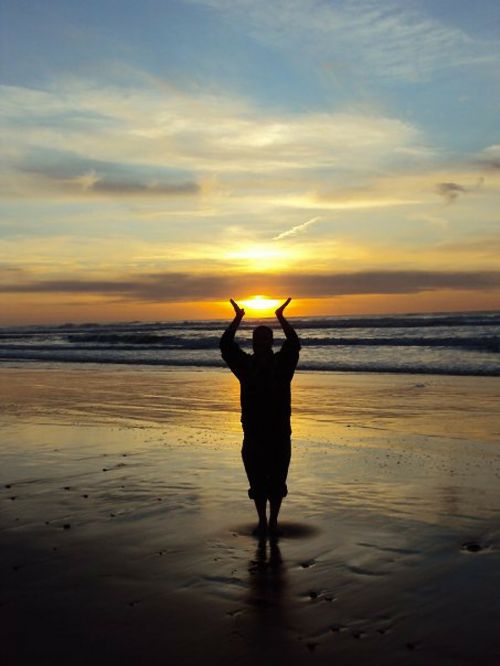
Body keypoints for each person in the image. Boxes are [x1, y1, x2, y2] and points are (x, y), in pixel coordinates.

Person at [220, 297, 301, 535]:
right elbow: (226, 346)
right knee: (257, 483)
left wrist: (280, 317)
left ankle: (273, 520)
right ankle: (262, 521)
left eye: (266, 340)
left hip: (278, 434)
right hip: (254, 434)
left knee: (277, 482)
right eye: (258, 340)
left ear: (271, 342)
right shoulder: (247, 367)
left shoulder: (282, 366)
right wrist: (237, 318)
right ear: (253, 343)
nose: (262, 344)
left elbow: (294, 344)